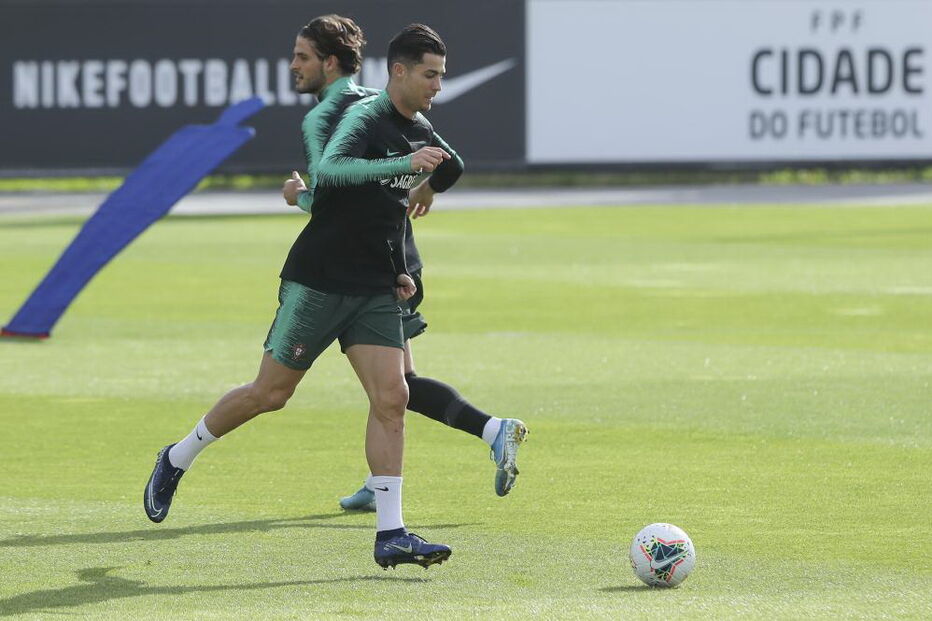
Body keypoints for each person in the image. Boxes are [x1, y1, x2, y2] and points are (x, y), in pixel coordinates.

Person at [144, 19, 457, 570]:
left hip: (376, 287)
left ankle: (392, 535)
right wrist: (403, 168)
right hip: (318, 281)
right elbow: (332, 173)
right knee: (270, 394)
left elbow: (415, 192)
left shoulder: (421, 127)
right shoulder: (362, 118)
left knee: (393, 398)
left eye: (442, 76)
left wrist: (403, 251)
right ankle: (176, 456)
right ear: (399, 71)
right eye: (430, 75)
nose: (438, 86)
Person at [280, 17, 528, 513]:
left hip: (380, 262)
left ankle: (492, 429)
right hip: (394, 252)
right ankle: (382, 484)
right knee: (391, 388)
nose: (294, 65)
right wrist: (426, 191)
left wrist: (298, 197)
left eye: (303, 56)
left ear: (329, 63)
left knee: (394, 387)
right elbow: (451, 163)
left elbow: (330, 199)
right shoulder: (377, 99)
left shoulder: (329, 117)